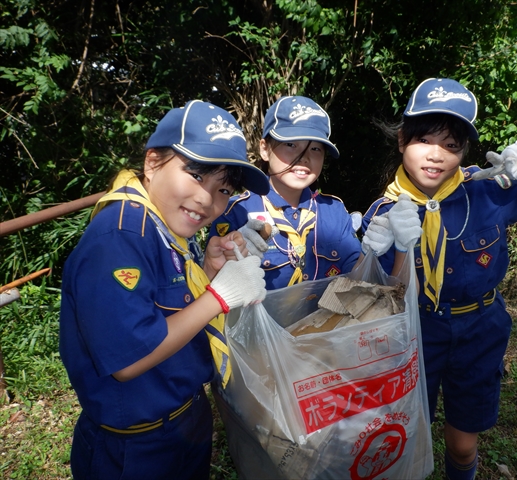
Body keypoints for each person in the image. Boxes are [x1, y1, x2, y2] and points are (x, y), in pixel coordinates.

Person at [360, 78, 517, 480]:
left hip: (480, 328)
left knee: (463, 442)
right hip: (416, 331)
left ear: (464, 152)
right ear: (402, 141)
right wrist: (401, 245)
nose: (436, 156)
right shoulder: (383, 213)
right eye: (423, 141)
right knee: (406, 432)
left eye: (451, 146)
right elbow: (390, 296)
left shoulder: (483, 191)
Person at [59, 100, 271, 480]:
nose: (207, 198)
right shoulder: (119, 237)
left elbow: (170, 308)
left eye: (223, 189)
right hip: (135, 447)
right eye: (196, 175)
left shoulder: (164, 228)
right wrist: (219, 297)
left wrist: (209, 269)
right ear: (153, 162)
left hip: (186, 419)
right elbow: (127, 361)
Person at [208, 95, 361, 289]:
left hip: (327, 318)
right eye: (291, 145)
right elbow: (214, 288)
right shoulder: (235, 213)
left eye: (315, 148)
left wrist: (373, 250)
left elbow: (358, 276)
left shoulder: (334, 212)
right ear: (264, 149)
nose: (304, 157)